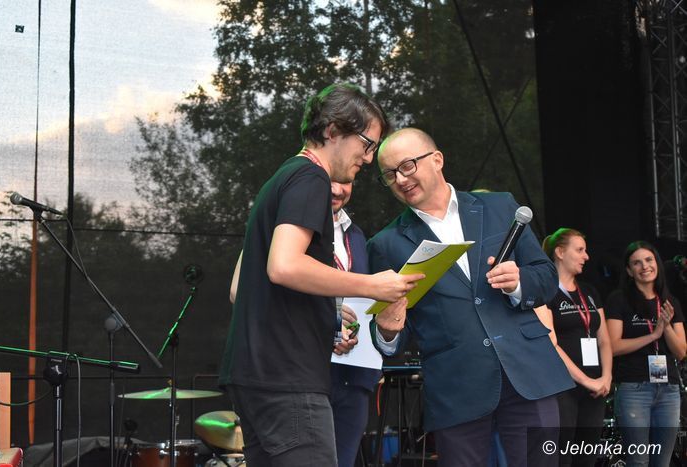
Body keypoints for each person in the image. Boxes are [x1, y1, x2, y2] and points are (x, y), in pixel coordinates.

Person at [219, 84, 424, 467]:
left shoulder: (283, 178)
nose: (369, 158)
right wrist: (373, 285)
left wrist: (328, 314)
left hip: (256, 375)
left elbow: (262, 282)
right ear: (332, 131)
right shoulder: (310, 176)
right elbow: (284, 266)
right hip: (287, 378)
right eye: (366, 144)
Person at [368, 127, 574, 467]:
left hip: (527, 373)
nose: (400, 179)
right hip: (456, 389)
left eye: (407, 166)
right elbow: (392, 334)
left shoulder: (500, 206)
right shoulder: (385, 244)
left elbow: (547, 277)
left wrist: (519, 282)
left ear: (437, 159)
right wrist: (387, 330)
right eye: (389, 175)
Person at [535, 228, 612, 467]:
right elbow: (551, 343)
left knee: (587, 456)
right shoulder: (545, 292)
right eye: (580, 250)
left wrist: (606, 377)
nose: (586, 256)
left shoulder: (589, 292)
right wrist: (586, 380)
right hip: (563, 388)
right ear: (560, 252)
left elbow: (604, 340)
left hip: (596, 388)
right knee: (562, 456)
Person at [606, 241, 686, 467]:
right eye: (637, 263)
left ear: (657, 264)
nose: (645, 266)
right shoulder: (618, 299)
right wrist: (653, 335)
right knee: (638, 460)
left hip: (668, 390)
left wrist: (666, 327)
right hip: (634, 388)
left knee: (662, 462)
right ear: (629, 270)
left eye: (649, 260)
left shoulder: (670, 302)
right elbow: (613, 346)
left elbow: (681, 351)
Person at [329, 181, 383, 467]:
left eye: (346, 181)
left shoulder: (357, 236)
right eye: (329, 181)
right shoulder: (293, 233)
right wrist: (330, 316)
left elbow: (361, 302)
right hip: (309, 379)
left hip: (354, 377)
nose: (338, 190)